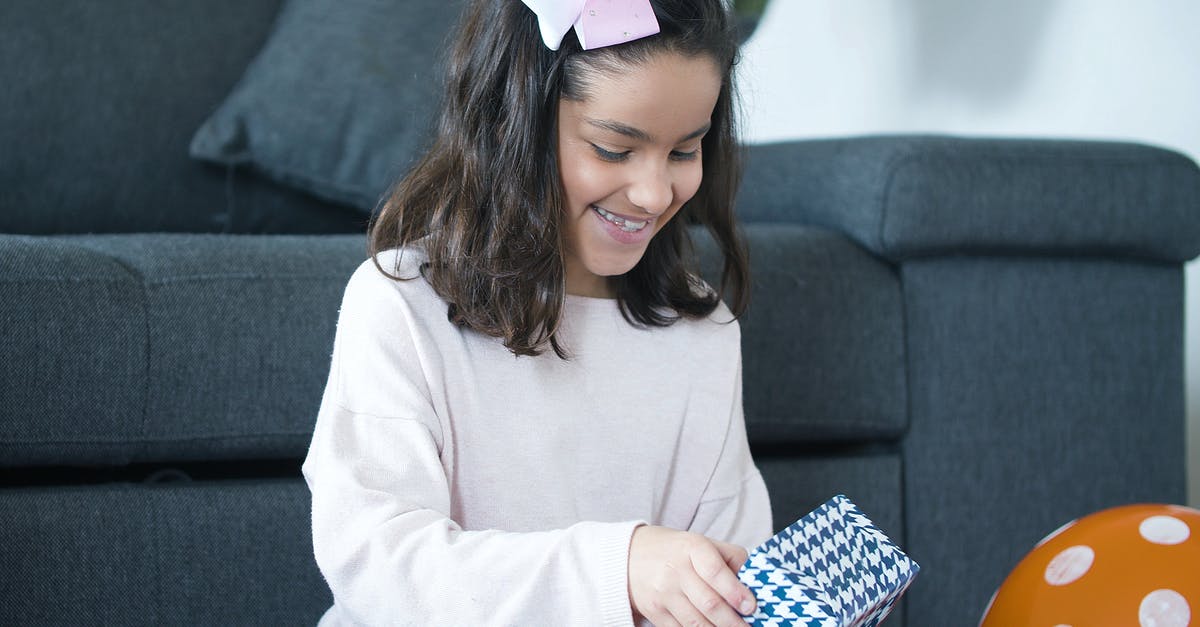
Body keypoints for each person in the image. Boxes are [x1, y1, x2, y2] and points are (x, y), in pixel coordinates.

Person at [301, 1, 773, 624]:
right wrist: (619, 569)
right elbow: (377, 564)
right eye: (612, 149)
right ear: (514, 125)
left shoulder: (701, 333)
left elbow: (733, 566)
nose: (656, 193)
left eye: (685, 151)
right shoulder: (399, 305)